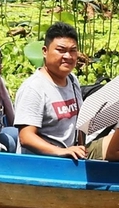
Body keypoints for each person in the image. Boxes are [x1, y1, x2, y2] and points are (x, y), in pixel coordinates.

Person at [15, 22, 85, 158]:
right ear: (45, 51)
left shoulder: (72, 80)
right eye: (61, 50)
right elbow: (26, 137)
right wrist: (61, 152)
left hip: (70, 159)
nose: (68, 56)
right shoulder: (34, 88)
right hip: (41, 164)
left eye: (73, 50)